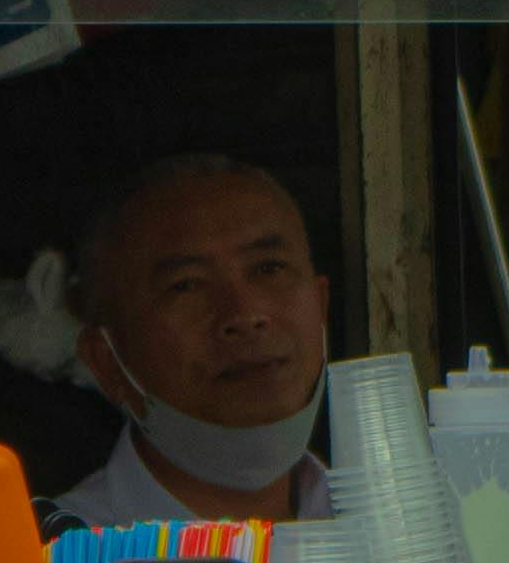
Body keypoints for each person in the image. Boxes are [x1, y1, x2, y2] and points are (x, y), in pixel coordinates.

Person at [48, 152, 334, 532]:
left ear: (321, 306)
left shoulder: (402, 531)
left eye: (269, 268)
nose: (245, 315)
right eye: (186, 285)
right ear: (106, 362)